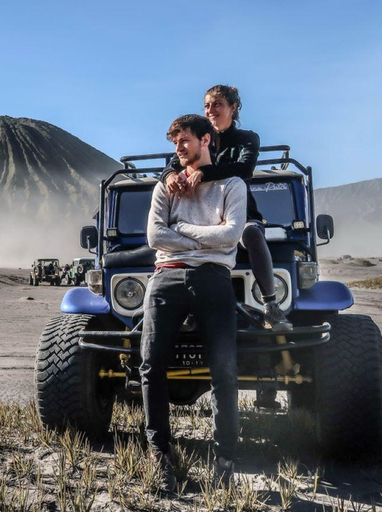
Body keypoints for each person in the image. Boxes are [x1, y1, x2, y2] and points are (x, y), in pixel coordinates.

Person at [142, 114, 246, 491]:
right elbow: (155, 235)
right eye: (174, 143)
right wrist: (206, 238)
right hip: (166, 276)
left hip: (213, 278)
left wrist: (181, 229)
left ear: (206, 140)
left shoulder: (232, 185)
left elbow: (232, 234)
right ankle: (160, 457)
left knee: (224, 370)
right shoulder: (165, 187)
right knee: (151, 366)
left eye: (184, 140)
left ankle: (224, 462)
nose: (178, 148)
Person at [161, 85, 291, 332]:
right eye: (207, 105)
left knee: (252, 233)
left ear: (233, 107)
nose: (211, 110)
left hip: (240, 212)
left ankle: (271, 306)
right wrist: (168, 175)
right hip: (199, 215)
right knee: (175, 240)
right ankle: (187, 307)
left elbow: (244, 170)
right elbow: (172, 165)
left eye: (217, 104)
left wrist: (203, 172)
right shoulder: (197, 137)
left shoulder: (246, 139)